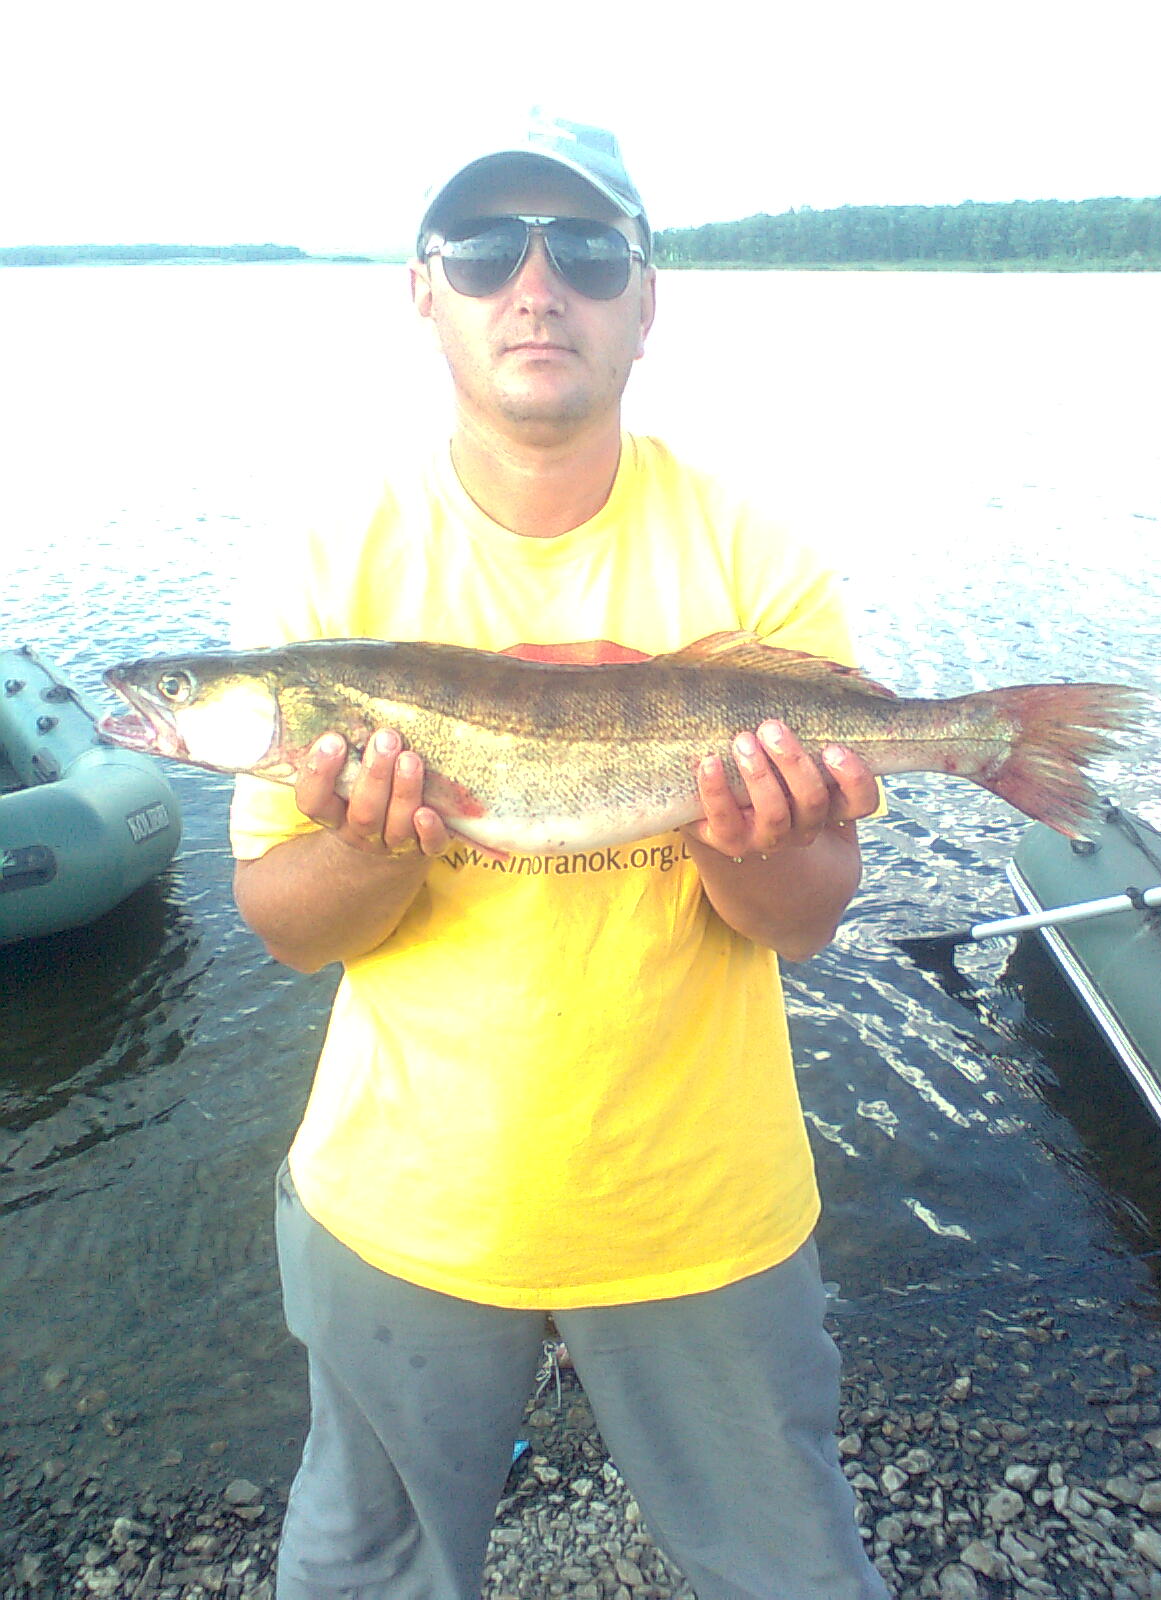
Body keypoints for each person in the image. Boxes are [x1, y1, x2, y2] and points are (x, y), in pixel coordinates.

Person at [230, 114, 889, 1600]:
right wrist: (373, 853)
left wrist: (750, 847)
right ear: (424, 294)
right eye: (484, 250)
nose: (536, 286)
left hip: (703, 1206)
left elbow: (805, 919)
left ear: (647, 302)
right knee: (367, 1571)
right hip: (402, 1205)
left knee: (790, 1568)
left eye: (587, 250)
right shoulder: (328, 563)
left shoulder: (757, 553)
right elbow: (284, 924)